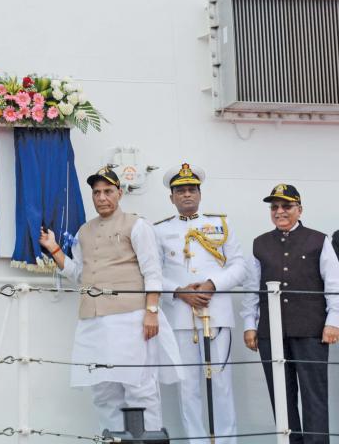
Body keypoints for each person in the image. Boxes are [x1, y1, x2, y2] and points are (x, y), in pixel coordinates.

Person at [39, 166, 181, 432]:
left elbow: (153, 272)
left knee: (139, 387)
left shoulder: (138, 226)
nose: (102, 197)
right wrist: (54, 248)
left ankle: (148, 437)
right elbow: (80, 275)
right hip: (93, 320)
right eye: (96, 193)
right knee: (103, 390)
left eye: (107, 191)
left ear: (119, 193)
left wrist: (151, 311)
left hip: (131, 317)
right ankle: (115, 438)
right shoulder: (84, 231)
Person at [154, 163, 246, 443]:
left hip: (216, 315)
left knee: (222, 385)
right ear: (171, 197)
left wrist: (212, 284)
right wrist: (179, 291)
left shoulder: (221, 225)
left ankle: (227, 441)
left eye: (191, 189)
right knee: (188, 387)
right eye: (180, 191)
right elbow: (153, 274)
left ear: (200, 193)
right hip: (181, 318)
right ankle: (195, 441)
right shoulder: (159, 230)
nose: (186, 195)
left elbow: (240, 266)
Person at [241, 184, 339, 444]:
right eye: (275, 207)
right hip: (270, 333)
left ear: (299, 209)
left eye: (286, 206)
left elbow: (334, 285)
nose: (280, 211)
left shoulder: (319, 240)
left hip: (311, 330)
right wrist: (250, 325)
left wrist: (333, 322)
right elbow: (252, 288)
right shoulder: (259, 243)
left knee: (314, 394)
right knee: (281, 394)